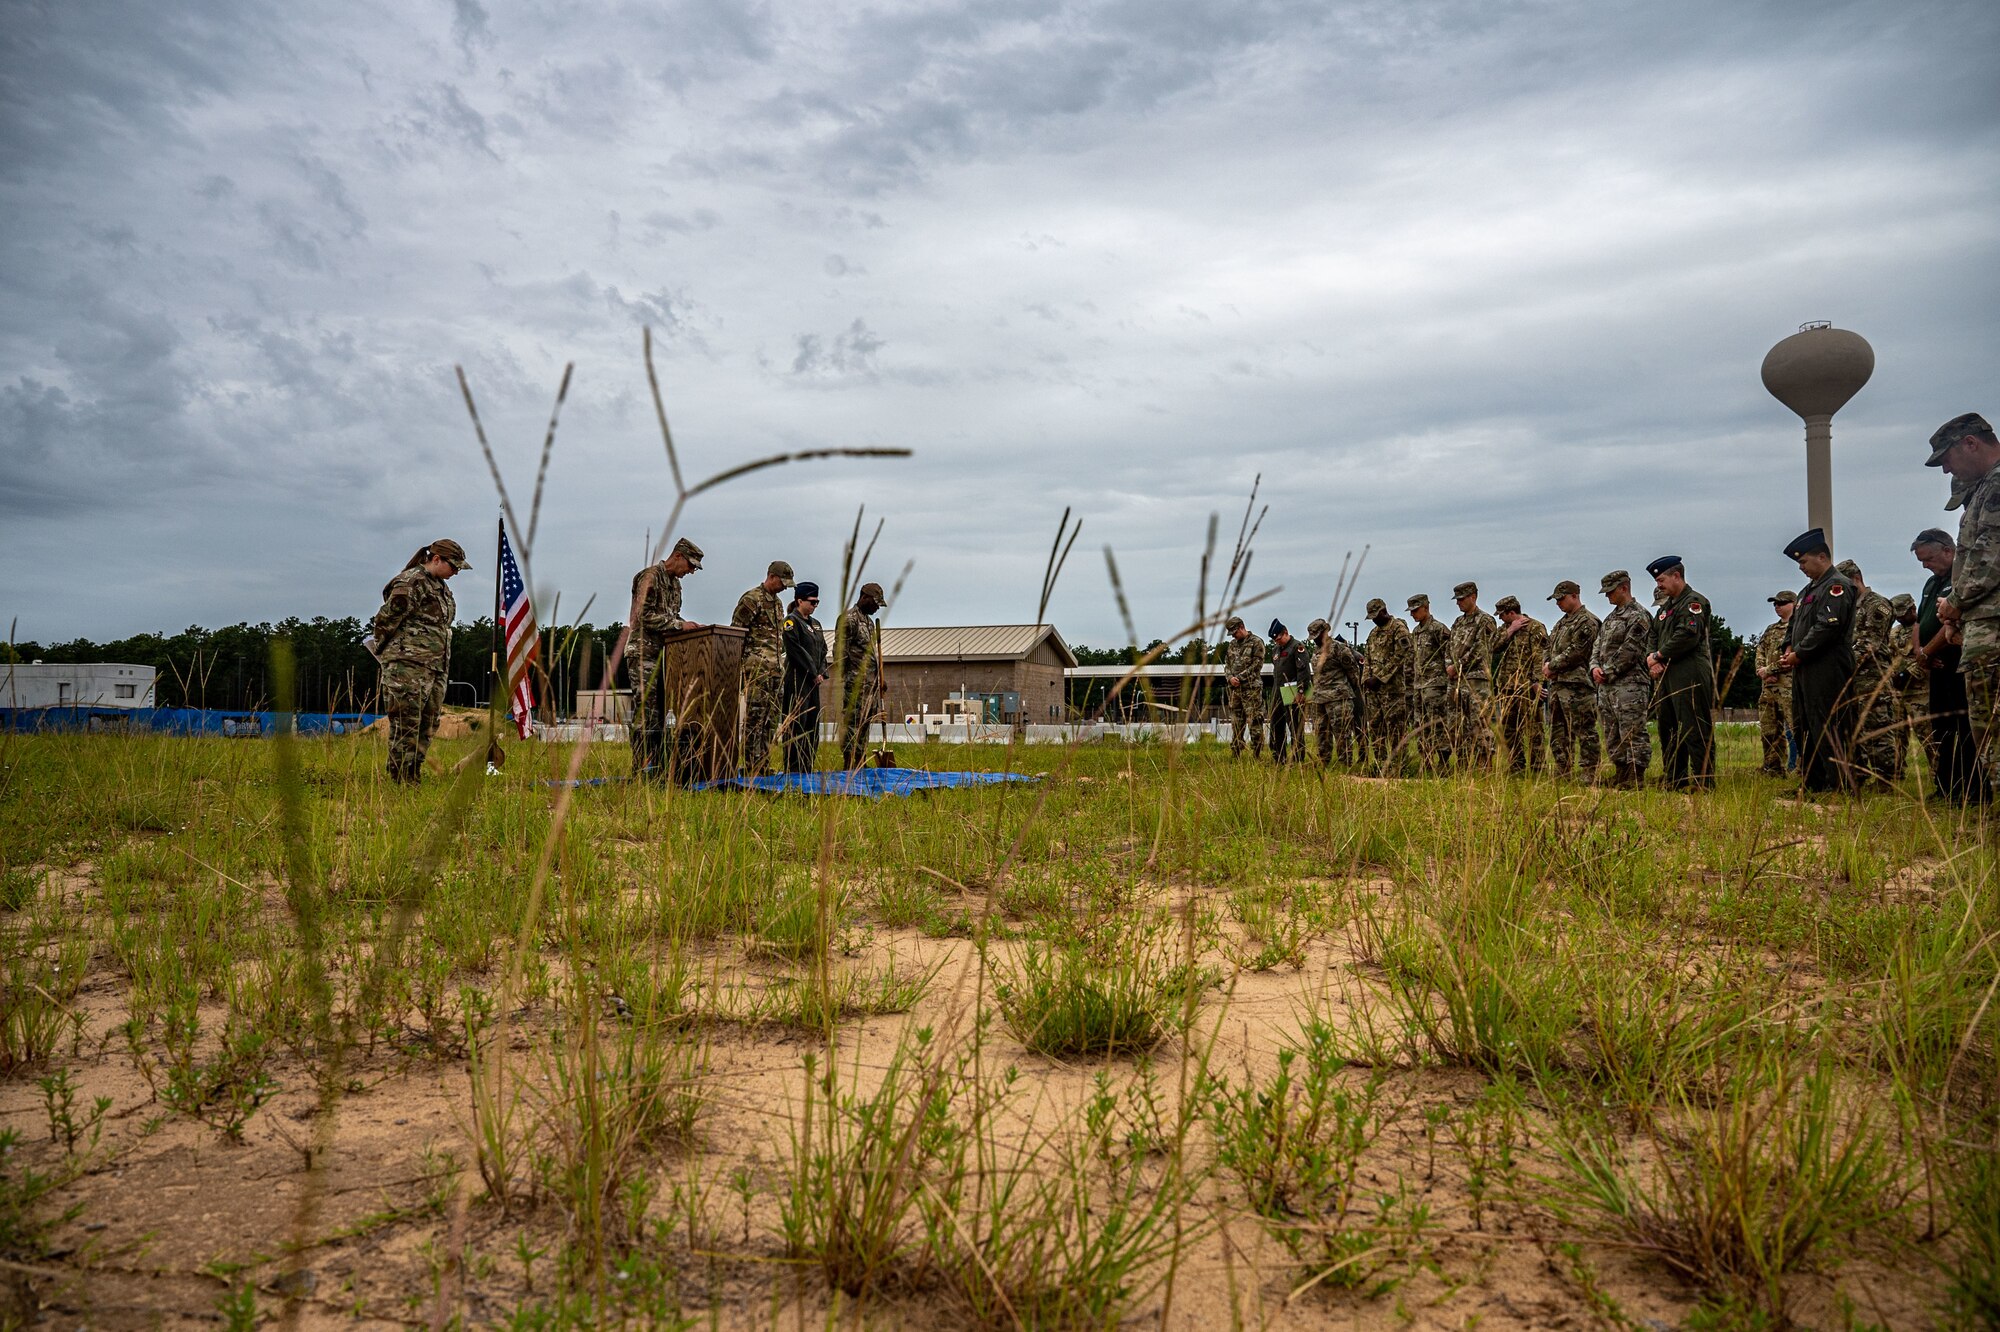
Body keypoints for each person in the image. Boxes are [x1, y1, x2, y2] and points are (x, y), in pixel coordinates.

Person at [1932, 413, 2000, 798]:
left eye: (1947, 457)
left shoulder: (1996, 486)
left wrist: (1955, 603)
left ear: (1970, 443)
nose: (1945, 468)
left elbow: (1989, 558)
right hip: (1983, 618)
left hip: (1992, 623)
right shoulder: (1984, 488)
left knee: (1991, 725)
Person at [371, 538, 469, 783]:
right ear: (436, 559)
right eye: (454, 566)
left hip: (435, 666)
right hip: (408, 667)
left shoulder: (440, 587)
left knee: (428, 723)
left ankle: (413, 773)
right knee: (407, 722)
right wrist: (389, 656)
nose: (456, 572)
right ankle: (400, 778)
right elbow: (385, 620)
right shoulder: (411, 582)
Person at [1780, 529, 1858, 794]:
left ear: (1822, 557)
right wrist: (1789, 646)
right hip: (1805, 666)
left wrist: (1799, 652)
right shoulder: (1807, 591)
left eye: (1803, 562)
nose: (1801, 568)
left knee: (1829, 724)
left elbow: (1828, 625)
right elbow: (1794, 625)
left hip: (1828, 666)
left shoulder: (1837, 586)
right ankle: (1813, 782)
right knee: (1805, 725)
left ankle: (1839, 784)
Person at [628, 536, 704, 779]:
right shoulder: (649, 576)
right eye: (690, 566)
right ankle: (641, 767)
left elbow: (674, 615)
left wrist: (687, 625)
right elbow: (643, 615)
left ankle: (658, 767)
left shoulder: (676, 585)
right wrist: (679, 626)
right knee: (646, 712)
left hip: (666, 656)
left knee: (661, 713)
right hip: (644, 654)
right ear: (678, 556)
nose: (691, 572)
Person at [1911, 528, 1976, 801]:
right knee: (1941, 728)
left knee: (1964, 728)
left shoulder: (1961, 578)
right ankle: (1945, 787)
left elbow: (1952, 622)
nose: (1926, 565)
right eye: (1921, 561)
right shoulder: (1931, 583)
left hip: (1956, 662)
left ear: (1948, 551)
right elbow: (1919, 621)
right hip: (1933, 664)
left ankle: (1969, 791)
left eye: (1929, 559)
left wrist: (1927, 651)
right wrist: (1919, 652)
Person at [1646, 556, 1716, 790]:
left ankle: (1703, 780)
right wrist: (1652, 659)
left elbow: (1687, 635)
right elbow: (1653, 635)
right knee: (1668, 727)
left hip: (1690, 670)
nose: (1659, 585)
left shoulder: (1693, 602)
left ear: (1677, 576)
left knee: (1694, 725)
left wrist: (1659, 655)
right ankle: (1675, 778)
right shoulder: (1666, 608)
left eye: (1661, 579)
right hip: (1666, 673)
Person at [1837, 559, 1900, 789]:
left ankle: (1886, 779)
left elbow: (1868, 644)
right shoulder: (1850, 607)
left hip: (1872, 676)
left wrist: (1839, 667)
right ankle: (1859, 774)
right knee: (1853, 729)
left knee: (1877, 728)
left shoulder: (1877, 604)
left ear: (1855, 579)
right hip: (1852, 678)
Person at [1590, 570, 1654, 787]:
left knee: (1632, 730)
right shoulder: (1610, 618)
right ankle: (1620, 772)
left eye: (1610, 591)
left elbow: (1631, 650)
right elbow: (1597, 646)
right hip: (1607, 686)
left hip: (1631, 685)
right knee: (1612, 731)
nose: (1607, 596)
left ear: (1623, 588)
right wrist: (1594, 667)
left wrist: (1607, 671)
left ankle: (1636, 775)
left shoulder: (1638, 615)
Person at [731, 560, 794, 775]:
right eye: (783, 582)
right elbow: (736, 633)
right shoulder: (751, 599)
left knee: (770, 719)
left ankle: (763, 764)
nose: (785, 587)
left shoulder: (777, 604)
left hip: (775, 668)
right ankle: (751, 766)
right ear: (771, 576)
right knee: (755, 718)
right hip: (757, 668)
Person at [1542, 580, 1601, 781]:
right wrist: (1546, 664)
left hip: (1578, 686)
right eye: (1557, 600)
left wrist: (1552, 666)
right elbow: (1548, 647)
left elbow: (1577, 651)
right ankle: (1563, 770)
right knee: (1558, 733)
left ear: (1574, 596)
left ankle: (1589, 772)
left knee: (1584, 730)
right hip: (1558, 685)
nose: (1558, 603)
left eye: (1561, 599)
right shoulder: (1561, 623)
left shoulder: (1587, 621)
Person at [1492, 595, 1549, 774]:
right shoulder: (1505, 629)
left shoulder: (1535, 628)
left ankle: (1537, 768)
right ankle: (1516, 766)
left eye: (1502, 615)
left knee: (1533, 729)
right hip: (1507, 687)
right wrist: (1510, 631)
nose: (1500, 619)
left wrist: (1537, 682)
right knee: (1509, 730)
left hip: (1526, 687)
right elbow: (1493, 647)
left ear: (1511, 612)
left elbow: (1539, 657)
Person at [1447, 582, 1499, 769]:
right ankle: (1462, 763)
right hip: (1456, 681)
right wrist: (1449, 666)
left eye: (1461, 599)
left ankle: (1484, 765)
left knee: (1479, 723)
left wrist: (1458, 665)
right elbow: (1449, 648)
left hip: (1476, 680)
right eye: (1457, 600)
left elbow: (1480, 649)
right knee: (1456, 724)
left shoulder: (1485, 620)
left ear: (1473, 597)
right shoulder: (1458, 622)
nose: (1458, 603)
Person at [781, 582, 828, 774]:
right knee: (797, 724)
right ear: (800, 600)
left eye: (817, 602)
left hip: (814, 681)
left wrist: (822, 672)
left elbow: (822, 649)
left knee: (812, 724)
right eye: (812, 602)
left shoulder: (815, 624)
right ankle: (793, 768)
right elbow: (796, 651)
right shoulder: (791, 622)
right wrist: (812, 671)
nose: (815, 606)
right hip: (798, 679)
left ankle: (807, 765)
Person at [1361, 597, 1413, 769]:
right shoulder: (1373, 633)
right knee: (1376, 728)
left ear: (1384, 611)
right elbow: (1367, 658)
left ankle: (1400, 765)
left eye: (1376, 615)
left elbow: (1401, 655)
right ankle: (1380, 764)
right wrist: (1366, 679)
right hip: (1374, 691)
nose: (1374, 620)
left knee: (1396, 728)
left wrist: (1380, 677)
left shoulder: (1398, 628)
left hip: (1392, 689)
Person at [838, 582, 885, 770]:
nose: (876, 608)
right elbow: (841, 652)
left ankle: (860, 758)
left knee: (865, 722)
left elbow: (873, 653)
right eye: (875, 603)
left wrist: (881, 678)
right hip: (856, 682)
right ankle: (849, 762)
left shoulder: (870, 622)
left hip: (871, 683)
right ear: (864, 598)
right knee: (853, 723)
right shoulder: (849, 619)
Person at [1306, 617, 1362, 766]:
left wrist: (1346, 690)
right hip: (1319, 698)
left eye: (1317, 637)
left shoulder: (1339, 648)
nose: (1315, 640)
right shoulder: (1316, 650)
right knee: (1321, 732)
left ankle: (1346, 763)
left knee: (1342, 733)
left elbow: (1353, 671)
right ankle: (1323, 761)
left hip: (1338, 698)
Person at [1754, 591, 1798, 777]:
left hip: (1788, 686)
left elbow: (1792, 656)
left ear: (1794, 604)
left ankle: (1802, 769)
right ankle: (1773, 767)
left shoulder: (1798, 627)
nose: (1777, 607)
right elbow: (1760, 650)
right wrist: (1762, 671)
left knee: (1796, 729)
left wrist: (1770, 670)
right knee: (1769, 729)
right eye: (1775, 604)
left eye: (1781, 603)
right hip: (1769, 687)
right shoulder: (1771, 629)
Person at [1408, 594, 1453, 769]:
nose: (1413, 615)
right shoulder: (1416, 632)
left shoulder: (1438, 629)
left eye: (1415, 611)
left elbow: (1448, 655)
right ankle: (1425, 760)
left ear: (1426, 608)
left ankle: (1443, 761)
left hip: (1436, 685)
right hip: (1419, 686)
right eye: (1411, 612)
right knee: (1420, 724)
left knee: (1438, 722)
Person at [1887, 593, 1921, 781]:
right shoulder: (1894, 632)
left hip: (1920, 691)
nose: (1899, 618)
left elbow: (1927, 658)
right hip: (1897, 691)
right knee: (1896, 736)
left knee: (1927, 736)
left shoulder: (1923, 628)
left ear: (1913, 609)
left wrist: (1909, 673)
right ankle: (1895, 774)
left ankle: (1938, 776)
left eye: (1903, 613)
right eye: (1896, 615)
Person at [1223, 616, 1267, 758]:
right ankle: (1235, 753)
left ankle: (1257, 754)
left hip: (1251, 691)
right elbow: (1227, 665)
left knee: (1255, 722)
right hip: (1235, 691)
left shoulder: (1256, 642)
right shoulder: (1232, 645)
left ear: (1242, 626)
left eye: (1235, 632)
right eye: (1232, 634)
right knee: (1236, 722)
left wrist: (1240, 678)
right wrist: (1230, 678)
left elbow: (1257, 665)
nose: (1234, 636)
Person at [1267, 620, 1310, 763]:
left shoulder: (1297, 647)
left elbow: (1303, 671)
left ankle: (1298, 759)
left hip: (1293, 692)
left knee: (1295, 727)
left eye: (1278, 638)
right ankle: (1279, 758)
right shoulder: (1275, 651)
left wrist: (1301, 691)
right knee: (1276, 726)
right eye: (1274, 640)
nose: (1277, 642)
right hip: (1278, 692)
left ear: (1285, 633)